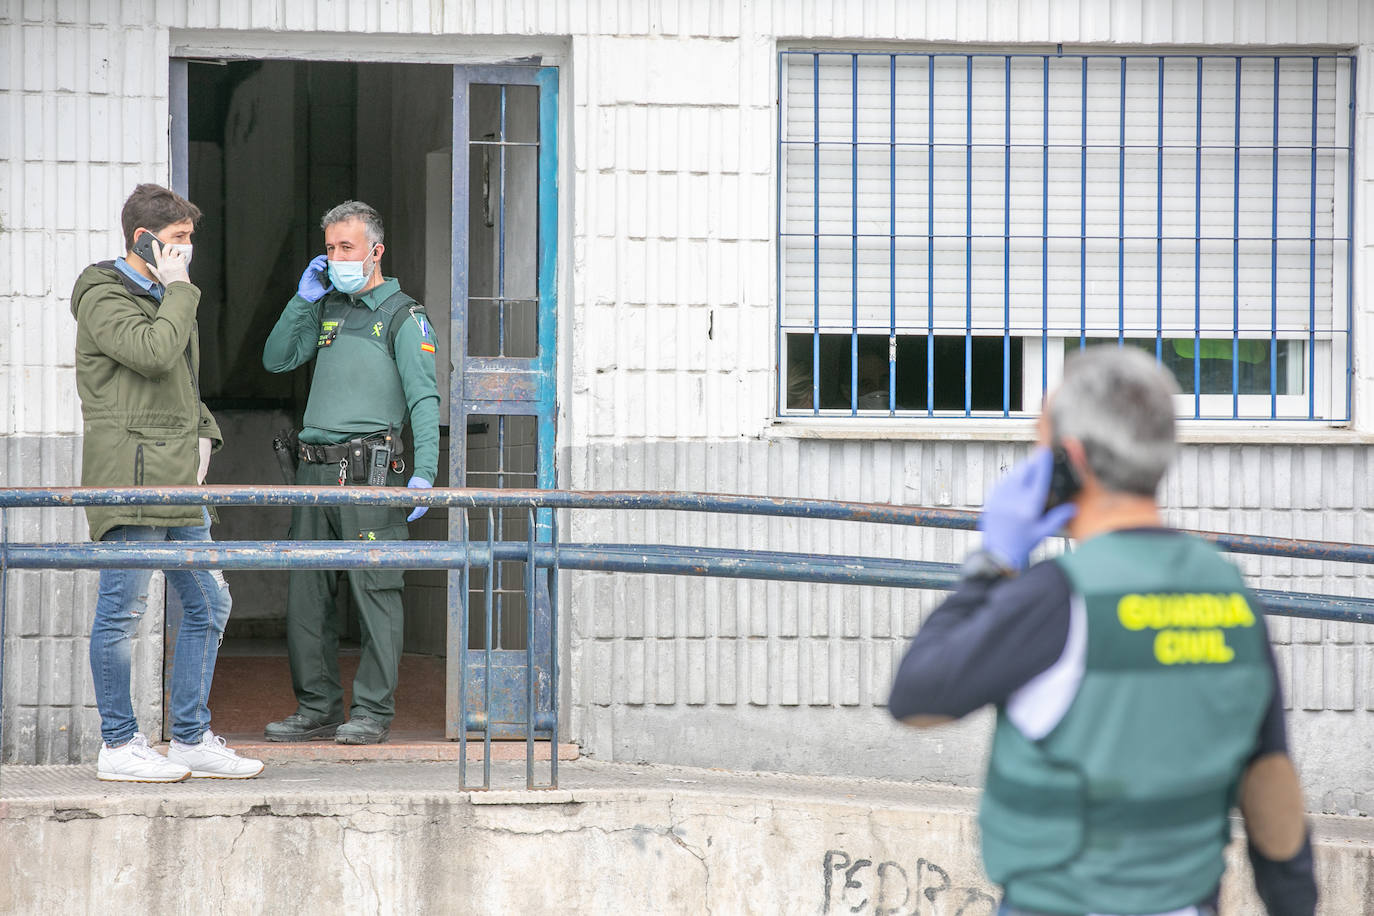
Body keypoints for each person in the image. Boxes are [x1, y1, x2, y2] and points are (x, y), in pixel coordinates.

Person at [889, 345, 1316, 916]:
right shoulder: (1231, 594)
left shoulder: (1055, 597)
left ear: (1069, 460)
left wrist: (991, 563)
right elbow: (1271, 784)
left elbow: (917, 698)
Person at [72, 183, 263, 781]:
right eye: (178, 240)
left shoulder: (167, 291)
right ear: (143, 239)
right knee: (123, 611)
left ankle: (189, 736)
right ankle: (119, 744)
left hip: (177, 478)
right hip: (128, 477)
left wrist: (205, 433)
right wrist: (179, 291)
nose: (186, 252)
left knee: (209, 602)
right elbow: (152, 353)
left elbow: (180, 383)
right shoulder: (104, 294)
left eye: (188, 240)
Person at [262, 200, 440, 746]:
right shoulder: (326, 307)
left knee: (375, 591)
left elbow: (425, 398)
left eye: (348, 247)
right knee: (307, 595)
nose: (337, 257)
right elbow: (276, 360)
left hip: (370, 473)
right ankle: (316, 706)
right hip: (314, 475)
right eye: (331, 248)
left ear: (376, 251)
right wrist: (301, 300)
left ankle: (371, 712)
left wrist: (426, 473)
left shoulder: (404, 316)